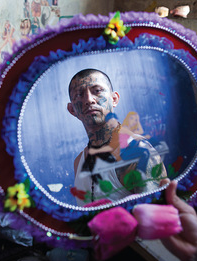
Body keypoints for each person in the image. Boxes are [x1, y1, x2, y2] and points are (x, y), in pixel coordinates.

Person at [68, 68, 165, 203]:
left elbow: (157, 218)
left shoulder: (139, 153)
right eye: (79, 94)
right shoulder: (79, 162)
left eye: (97, 91)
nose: (89, 100)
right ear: (72, 110)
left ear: (114, 99)